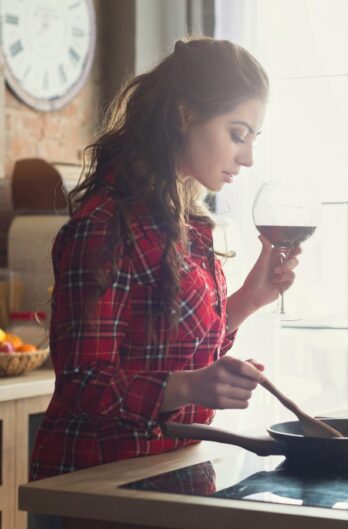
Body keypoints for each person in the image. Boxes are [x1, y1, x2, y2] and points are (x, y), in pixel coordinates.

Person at [29, 36, 298, 483]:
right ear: (185, 114)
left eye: (253, 140)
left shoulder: (189, 222)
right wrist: (191, 386)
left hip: (171, 467)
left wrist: (250, 298)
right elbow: (82, 382)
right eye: (237, 135)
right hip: (95, 483)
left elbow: (178, 348)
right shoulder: (105, 224)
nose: (247, 157)